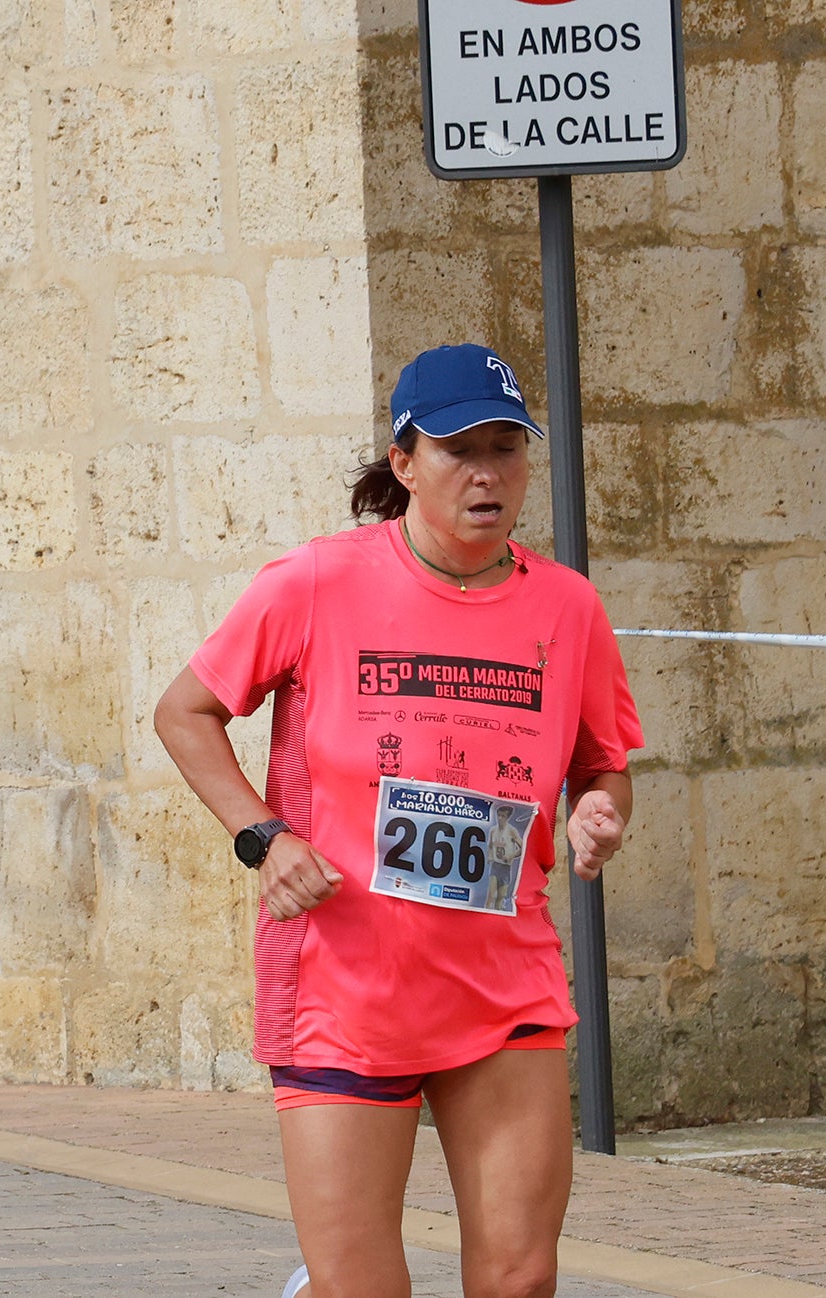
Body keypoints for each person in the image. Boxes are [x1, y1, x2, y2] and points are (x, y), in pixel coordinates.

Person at [153, 344, 643, 1298]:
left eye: (506, 448)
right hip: (344, 985)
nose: (487, 472)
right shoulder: (317, 583)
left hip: (504, 986)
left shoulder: (568, 608)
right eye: (460, 448)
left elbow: (602, 768)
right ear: (406, 461)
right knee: (362, 1289)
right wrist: (262, 836)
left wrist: (597, 814)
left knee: (518, 1279)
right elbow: (186, 712)